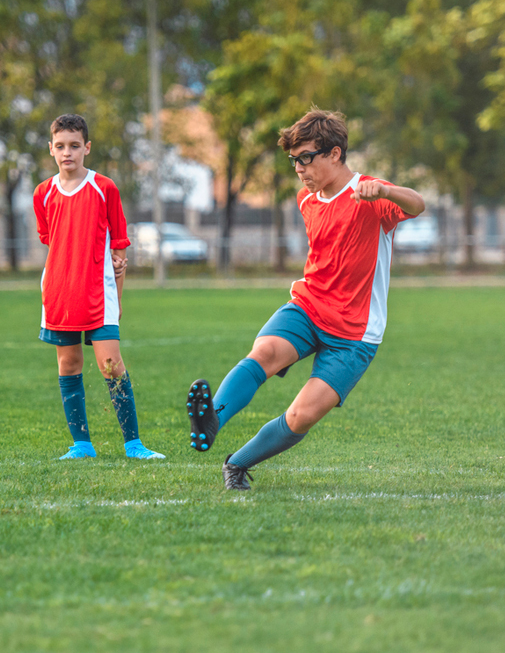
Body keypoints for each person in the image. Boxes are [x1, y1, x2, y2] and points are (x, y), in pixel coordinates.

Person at [185, 108, 425, 489]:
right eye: (294, 160)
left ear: (335, 154)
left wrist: (386, 190)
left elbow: (417, 204)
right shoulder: (307, 200)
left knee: (301, 417)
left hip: (355, 331)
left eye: (306, 158)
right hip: (308, 306)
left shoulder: (369, 193)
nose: (299, 168)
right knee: (262, 354)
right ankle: (211, 418)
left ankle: (237, 464)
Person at [34, 113, 165, 461]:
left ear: (87, 148)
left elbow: (119, 250)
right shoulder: (43, 193)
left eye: (74, 146)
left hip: (98, 292)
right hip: (59, 293)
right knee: (69, 364)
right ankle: (81, 445)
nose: (68, 153)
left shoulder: (104, 188)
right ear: (51, 149)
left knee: (111, 364)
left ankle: (134, 444)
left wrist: (117, 297)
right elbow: (51, 241)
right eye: (60, 146)